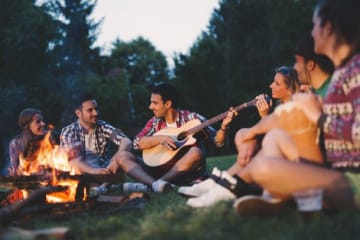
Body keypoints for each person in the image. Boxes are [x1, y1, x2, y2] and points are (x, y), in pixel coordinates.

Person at [185, 0, 360, 212]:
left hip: (351, 182)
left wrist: (318, 117)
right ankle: (276, 196)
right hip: (333, 171)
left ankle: (243, 188)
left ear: (328, 27)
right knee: (273, 138)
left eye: (315, 25)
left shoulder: (355, 72)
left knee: (262, 165)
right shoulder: (344, 73)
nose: (312, 33)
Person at [178, 66, 301, 198]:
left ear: (289, 90)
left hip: (287, 163)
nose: (270, 85)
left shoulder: (295, 109)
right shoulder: (280, 106)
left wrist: (264, 117)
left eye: (276, 83)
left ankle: (218, 184)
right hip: (271, 157)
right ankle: (219, 183)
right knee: (243, 135)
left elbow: (276, 141)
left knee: (246, 136)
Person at [133, 83, 236, 188]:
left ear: (168, 104)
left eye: (155, 103)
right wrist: (160, 139)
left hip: (188, 175)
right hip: (159, 169)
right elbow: (136, 143)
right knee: (124, 157)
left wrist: (224, 127)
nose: (150, 107)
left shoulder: (193, 119)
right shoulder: (155, 122)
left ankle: (156, 184)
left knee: (196, 152)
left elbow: (217, 142)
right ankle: (157, 185)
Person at [60, 93, 161, 193]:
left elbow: (126, 141)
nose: (95, 113)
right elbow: (73, 161)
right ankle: (119, 187)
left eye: (96, 108)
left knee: (122, 156)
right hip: (85, 174)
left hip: (108, 171)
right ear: (78, 113)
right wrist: (95, 171)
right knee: (84, 182)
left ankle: (104, 188)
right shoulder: (68, 132)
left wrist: (116, 158)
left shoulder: (102, 126)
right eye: (90, 110)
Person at [8, 108, 58, 176]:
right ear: (28, 125)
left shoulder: (49, 138)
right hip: (27, 182)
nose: (43, 124)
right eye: (38, 121)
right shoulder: (16, 143)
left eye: (42, 121)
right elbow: (15, 169)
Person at [293, 31, 334, 97]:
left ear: (310, 65)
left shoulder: (330, 95)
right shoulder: (328, 90)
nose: (294, 67)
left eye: (297, 61)